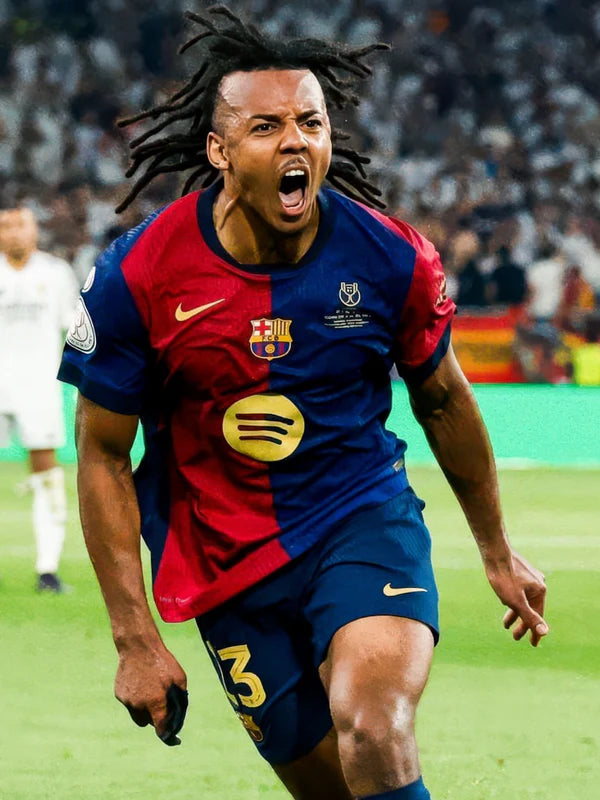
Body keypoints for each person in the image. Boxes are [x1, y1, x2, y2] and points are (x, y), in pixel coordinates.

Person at [58, 8, 549, 799]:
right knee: (335, 789)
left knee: (375, 728)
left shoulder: (389, 258)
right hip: (226, 564)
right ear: (218, 150)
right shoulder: (140, 275)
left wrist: (496, 550)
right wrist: (134, 638)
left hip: (359, 519)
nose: (295, 141)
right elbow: (103, 454)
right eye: (266, 126)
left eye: (310, 122)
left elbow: (443, 400)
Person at [0, 207, 79, 592]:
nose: (13, 232)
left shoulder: (55, 273)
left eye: (20, 225)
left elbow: (74, 330)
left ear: (34, 230)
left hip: (39, 387)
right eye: (5, 226)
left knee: (46, 473)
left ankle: (47, 567)